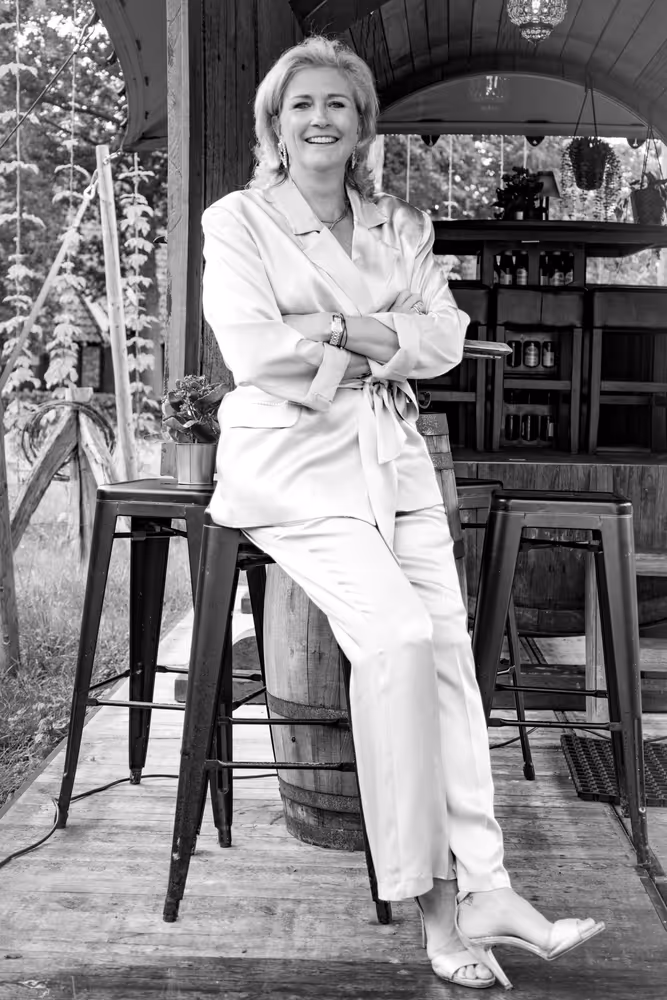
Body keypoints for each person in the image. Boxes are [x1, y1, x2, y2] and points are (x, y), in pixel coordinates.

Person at [201, 34, 604, 991]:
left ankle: (490, 886)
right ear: (274, 124)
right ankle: (433, 904)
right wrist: (382, 337)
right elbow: (256, 353)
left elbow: (446, 341)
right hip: (295, 466)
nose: (320, 118)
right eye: (302, 104)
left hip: (395, 458)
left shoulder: (401, 225)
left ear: (361, 124)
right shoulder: (239, 221)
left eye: (337, 103)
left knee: (451, 662)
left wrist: (334, 329)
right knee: (397, 638)